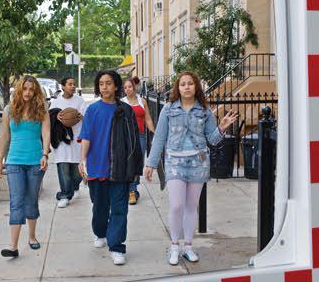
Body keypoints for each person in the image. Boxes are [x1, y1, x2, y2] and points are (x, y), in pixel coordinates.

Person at [145, 71, 238, 265]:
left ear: (196, 87)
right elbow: (160, 138)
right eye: (182, 84)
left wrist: (221, 127)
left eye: (190, 83)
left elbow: (212, 139)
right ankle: (174, 246)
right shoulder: (169, 109)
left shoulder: (204, 110)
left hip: (198, 162)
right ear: (177, 88)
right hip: (175, 162)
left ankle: (188, 246)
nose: (186, 87)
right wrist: (151, 164)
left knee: (190, 206)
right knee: (177, 205)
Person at [79, 70, 143, 265]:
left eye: (108, 83)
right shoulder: (92, 110)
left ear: (116, 86)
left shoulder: (125, 110)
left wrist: (135, 167)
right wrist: (82, 161)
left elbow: (133, 141)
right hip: (97, 167)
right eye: (101, 83)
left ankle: (117, 246)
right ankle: (100, 232)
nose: (104, 87)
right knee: (99, 208)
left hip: (120, 168)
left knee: (119, 209)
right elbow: (87, 137)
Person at [0, 76, 50, 257]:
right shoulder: (9, 110)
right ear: (20, 89)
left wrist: (45, 154)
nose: (27, 92)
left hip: (35, 161)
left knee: (31, 201)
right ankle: (13, 246)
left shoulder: (41, 110)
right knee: (16, 202)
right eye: (25, 89)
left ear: (36, 92)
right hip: (14, 162)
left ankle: (32, 237)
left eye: (31, 89)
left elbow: (46, 132)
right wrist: (0, 160)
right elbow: (5, 137)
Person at [48, 76, 86, 208]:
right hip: (61, 140)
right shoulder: (56, 102)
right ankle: (64, 195)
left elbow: (87, 120)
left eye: (74, 84)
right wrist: (56, 116)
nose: (73, 86)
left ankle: (75, 187)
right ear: (63, 86)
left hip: (76, 140)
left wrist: (80, 117)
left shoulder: (80, 101)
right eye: (70, 84)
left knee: (76, 173)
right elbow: (49, 118)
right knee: (63, 168)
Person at [122, 77, 154, 205]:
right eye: (125, 87)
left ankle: (132, 190)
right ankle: (132, 190)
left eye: (129, 86)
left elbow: (148, 119)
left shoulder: (142, 101)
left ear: (134, 87)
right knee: (128, 163)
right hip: (126, 136)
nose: (127, 89)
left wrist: (153, 133)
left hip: (140, 136)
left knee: (137, 164)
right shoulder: (121, 102)